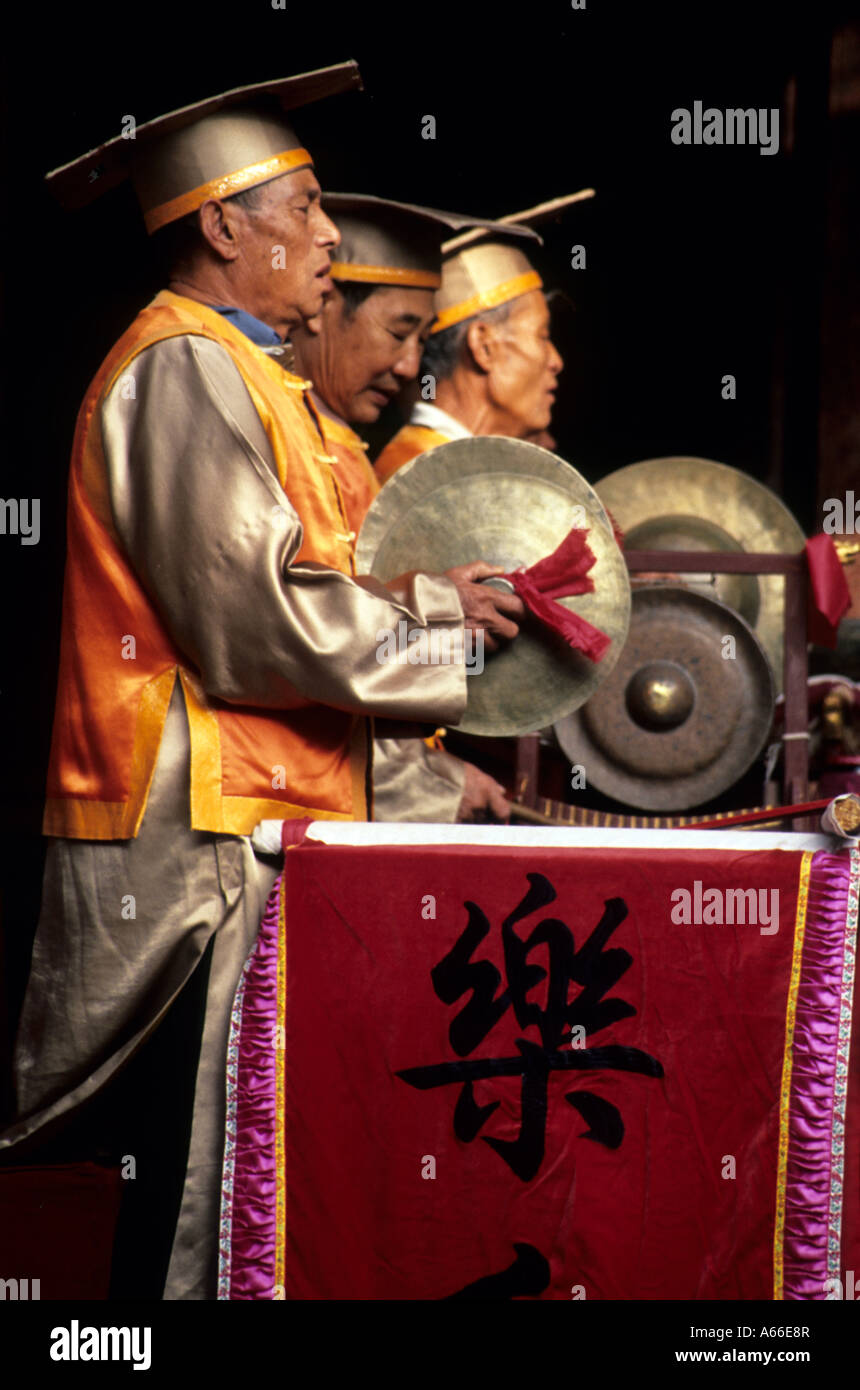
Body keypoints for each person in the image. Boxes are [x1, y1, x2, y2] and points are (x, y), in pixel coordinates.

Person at [1, 69, 523, 1299]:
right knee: (170, 1180)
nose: (329, 235)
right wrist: (449, 641)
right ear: (225, 225)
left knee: (232, 1167)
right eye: (302, 202)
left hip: (251, 824)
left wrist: (430, 603)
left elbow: (294, 589)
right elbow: (254, 622)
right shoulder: (179, 368)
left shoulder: (253, 381)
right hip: (185, 837)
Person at [292, 193, 521, 822]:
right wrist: (432, 785)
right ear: (322, 304)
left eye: (423, 337)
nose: (410, 365)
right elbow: (297, 645)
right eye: (399, 331)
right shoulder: (278, 431)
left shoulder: (346, 453)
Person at [374, 219, 565, 482]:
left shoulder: (472, 470)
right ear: (483, 346)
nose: (556, 361)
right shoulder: (424, 480)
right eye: (542, 336)